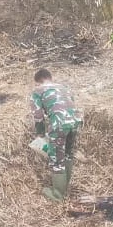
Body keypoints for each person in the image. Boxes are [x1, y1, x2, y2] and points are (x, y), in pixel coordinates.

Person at [30, 68, 83, 198]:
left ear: (38, 82)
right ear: (50, 78)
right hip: (75, 122)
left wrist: (40, 134)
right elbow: (70, 104)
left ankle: (58, 195)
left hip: (58, 124)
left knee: (57, 160)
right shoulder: (64, 87)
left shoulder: (37, 91)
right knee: (68, 154)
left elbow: (38, 116)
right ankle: (65, 187)